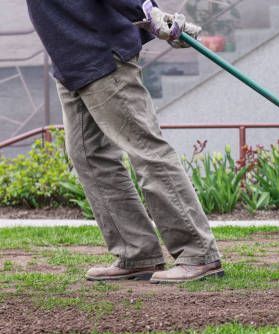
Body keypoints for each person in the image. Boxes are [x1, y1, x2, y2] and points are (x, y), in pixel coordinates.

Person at [26, 0, 223, 283]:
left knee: (145, 149)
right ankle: (136, 253)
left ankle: (198, 254)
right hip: (70, 58)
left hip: (100, 52)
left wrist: (146, 11)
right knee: (88, 156)